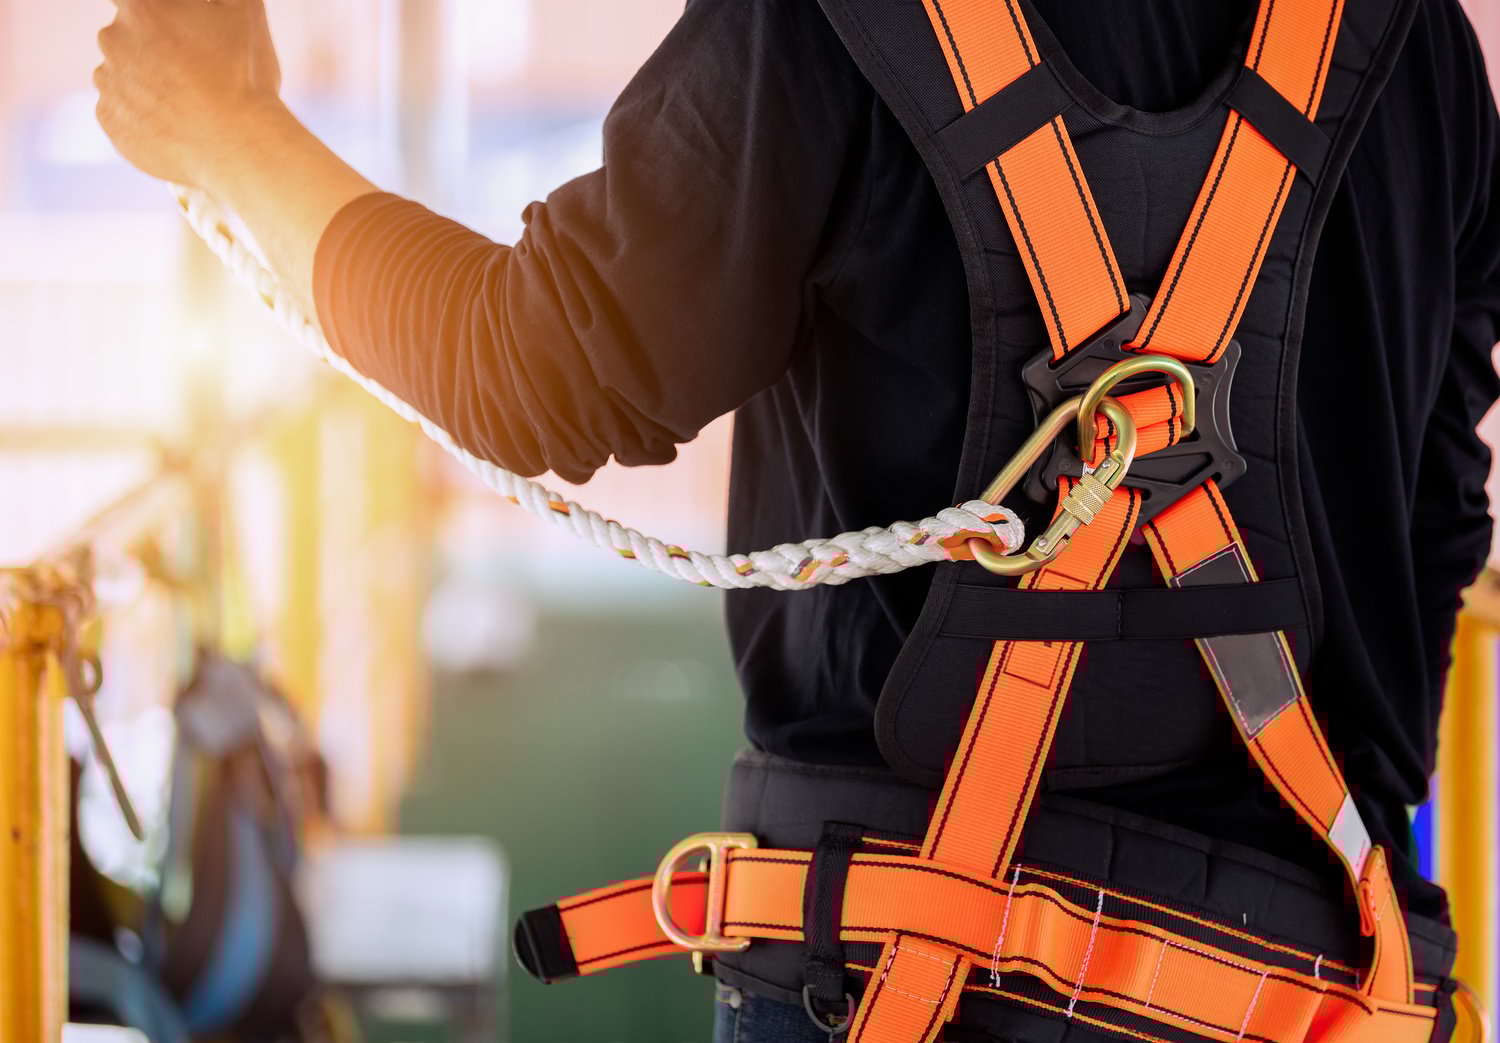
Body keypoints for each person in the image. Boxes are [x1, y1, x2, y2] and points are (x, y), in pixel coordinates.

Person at [94, 0, 1500, 1039]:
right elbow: (1440, 506)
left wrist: (234, 139)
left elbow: (542, 366)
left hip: (895, 980)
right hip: (1303, 984)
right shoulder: (1413, 48)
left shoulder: (828, 25)